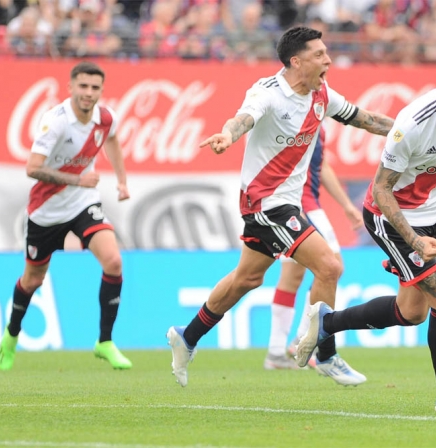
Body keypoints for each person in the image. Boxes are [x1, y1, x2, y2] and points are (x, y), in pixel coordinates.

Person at [166, 25, 393, 387]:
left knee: (247, 278)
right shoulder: (267, 92)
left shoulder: (323, 95)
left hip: (285, 204)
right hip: (264, 203)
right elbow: (244, 118)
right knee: (330, 266)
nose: (328, 60)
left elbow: (365, 119)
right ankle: (326, 353)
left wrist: (406, 131)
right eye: (319, 55)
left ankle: (187, 335)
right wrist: (228, 134)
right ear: (296, 61)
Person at [296, 50, 436, 413]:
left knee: (412, 313)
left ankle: (327, 323)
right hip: (390, 216)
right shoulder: (415, 122)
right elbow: (381, 191)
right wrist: (415, 240)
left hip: (430, 216)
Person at [0, 61, 132, 371]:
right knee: (33, 279)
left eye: (95, 88)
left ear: (101, 90)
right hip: (46, 210)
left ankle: (105, 342)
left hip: (83, 203)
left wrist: (121, 180)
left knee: (113, 261)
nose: (88, 93)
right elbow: (32, 168)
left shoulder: (105, 118)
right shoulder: (56, 121)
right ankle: (12, 334)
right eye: (83, 86)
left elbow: (111, 139)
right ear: (70, 87)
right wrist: (77, 179)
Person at [263, 125, 363, 371]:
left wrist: (347, 206)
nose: (322, 84)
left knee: (293, 275)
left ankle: (277, 352)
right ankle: (301, 340)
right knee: (333, 267)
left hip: (293, 202)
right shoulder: (297, 115)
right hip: (300, 202)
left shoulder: (315, 117)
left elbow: (321, 166)